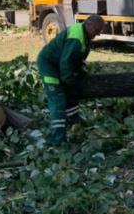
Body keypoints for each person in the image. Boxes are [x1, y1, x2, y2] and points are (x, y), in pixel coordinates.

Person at [37, 15, 104, 145]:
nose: (98, 34)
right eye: (97, 30)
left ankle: (74, 121)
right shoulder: (77, 38)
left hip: (60, 65)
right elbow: (66, 63)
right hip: (49, 65)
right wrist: (70, 81)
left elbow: (77, 60)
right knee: (58, 99)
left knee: (71, 94)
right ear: (89, 26)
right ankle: (57, 139)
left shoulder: (84, 35)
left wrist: (80, 74)